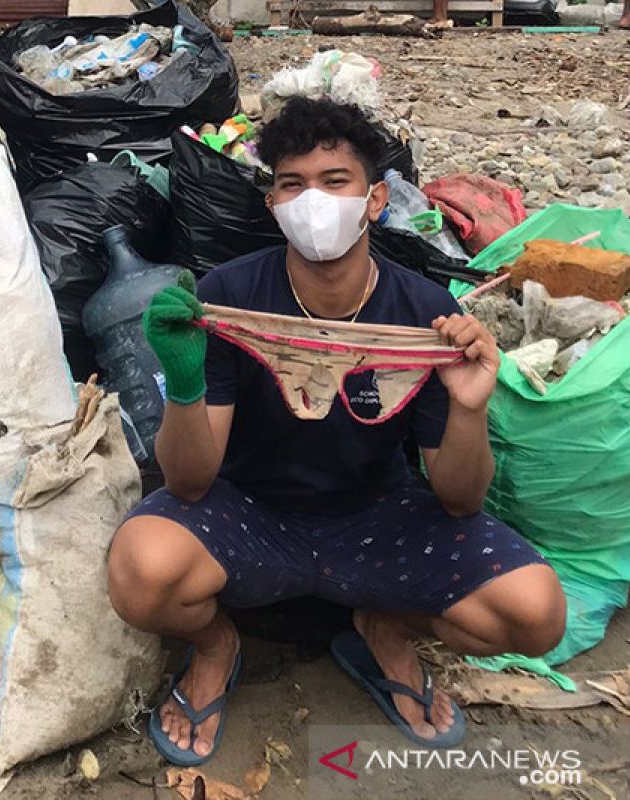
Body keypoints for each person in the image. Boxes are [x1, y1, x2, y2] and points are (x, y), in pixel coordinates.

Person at [106, 98, 566, 765]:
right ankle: (214, 646)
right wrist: (183, 377)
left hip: (376, 514)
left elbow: (460, 499)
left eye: (335, 181)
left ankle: (385, 626)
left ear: (376, 199)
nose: (312, 201)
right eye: (291, 185)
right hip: (251, 511)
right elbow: (189, 480)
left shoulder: (425, 313)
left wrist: (468, 407)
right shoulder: (229, 296)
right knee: (138, 571)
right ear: (271, 205)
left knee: (534, 611)